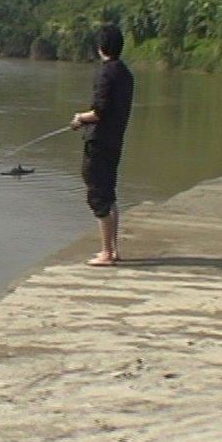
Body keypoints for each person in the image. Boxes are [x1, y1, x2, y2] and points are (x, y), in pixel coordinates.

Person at [70, 23, 134, 266]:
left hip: (100, 142)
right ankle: (113, 250)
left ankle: (107, 253)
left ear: (100, 47)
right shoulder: (126, 73)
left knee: (98, 195)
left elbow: (99, 111)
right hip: (115, 140)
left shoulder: (105, 73)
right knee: (109, 193)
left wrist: (79, 119)